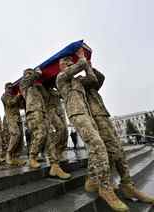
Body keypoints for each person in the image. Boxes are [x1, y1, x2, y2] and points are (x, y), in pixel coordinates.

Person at [56, 49, 128, 212]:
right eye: (65, 63)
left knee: (99, 147)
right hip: (77, 114)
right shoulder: (61, 78)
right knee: (98, 146)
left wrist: (88, 66)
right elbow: (76, 68)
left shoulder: (78, 82)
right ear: (61, 67)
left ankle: (92, 180)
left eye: (70, 62)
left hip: (88, 114)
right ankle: (105, 188)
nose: (69, 64)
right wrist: (81, 59)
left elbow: (94, 79)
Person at [84, 67, 154, 204]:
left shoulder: (91, 83)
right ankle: (94, 179)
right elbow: (91, 78)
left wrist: (88, 65)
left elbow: (100, 77)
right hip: (93, 116)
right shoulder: (79, 82)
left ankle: (126, 184)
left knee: (118, 150)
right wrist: (83, 65)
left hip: (103, 115)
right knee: (106, 149)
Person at [19, 68, 48, 168]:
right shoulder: (24, 83)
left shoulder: (36, 86)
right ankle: (32, 157)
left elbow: (46, 96)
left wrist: (41, 86)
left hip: (42, 111)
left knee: (44, 134)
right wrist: (36, 73)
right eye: (28, 74)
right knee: (40, 134)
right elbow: (29, 79)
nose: (30, 76)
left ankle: (38, 155)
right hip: (33, 112)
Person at [44, 86, 71, 179]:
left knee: (65, 133)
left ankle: (57, 156)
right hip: (49, 112)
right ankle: (54, 164)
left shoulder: (54, 90)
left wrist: (56, 86)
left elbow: (63, 94)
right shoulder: (41, 87)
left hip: (59, 111)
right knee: (53, 135)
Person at [1, 82, 25, 166]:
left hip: (18, 118)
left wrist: (21, 97)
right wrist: (18, 96)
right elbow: (10, 103)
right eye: (9, 88)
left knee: (20, 138)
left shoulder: (14, 96)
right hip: (10, 118)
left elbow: (21, 106)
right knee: (16, 134)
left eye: (11, 88)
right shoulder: (4, 96)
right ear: (5, 88)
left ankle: (16, 157)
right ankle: (8, 154)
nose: (10, 89)